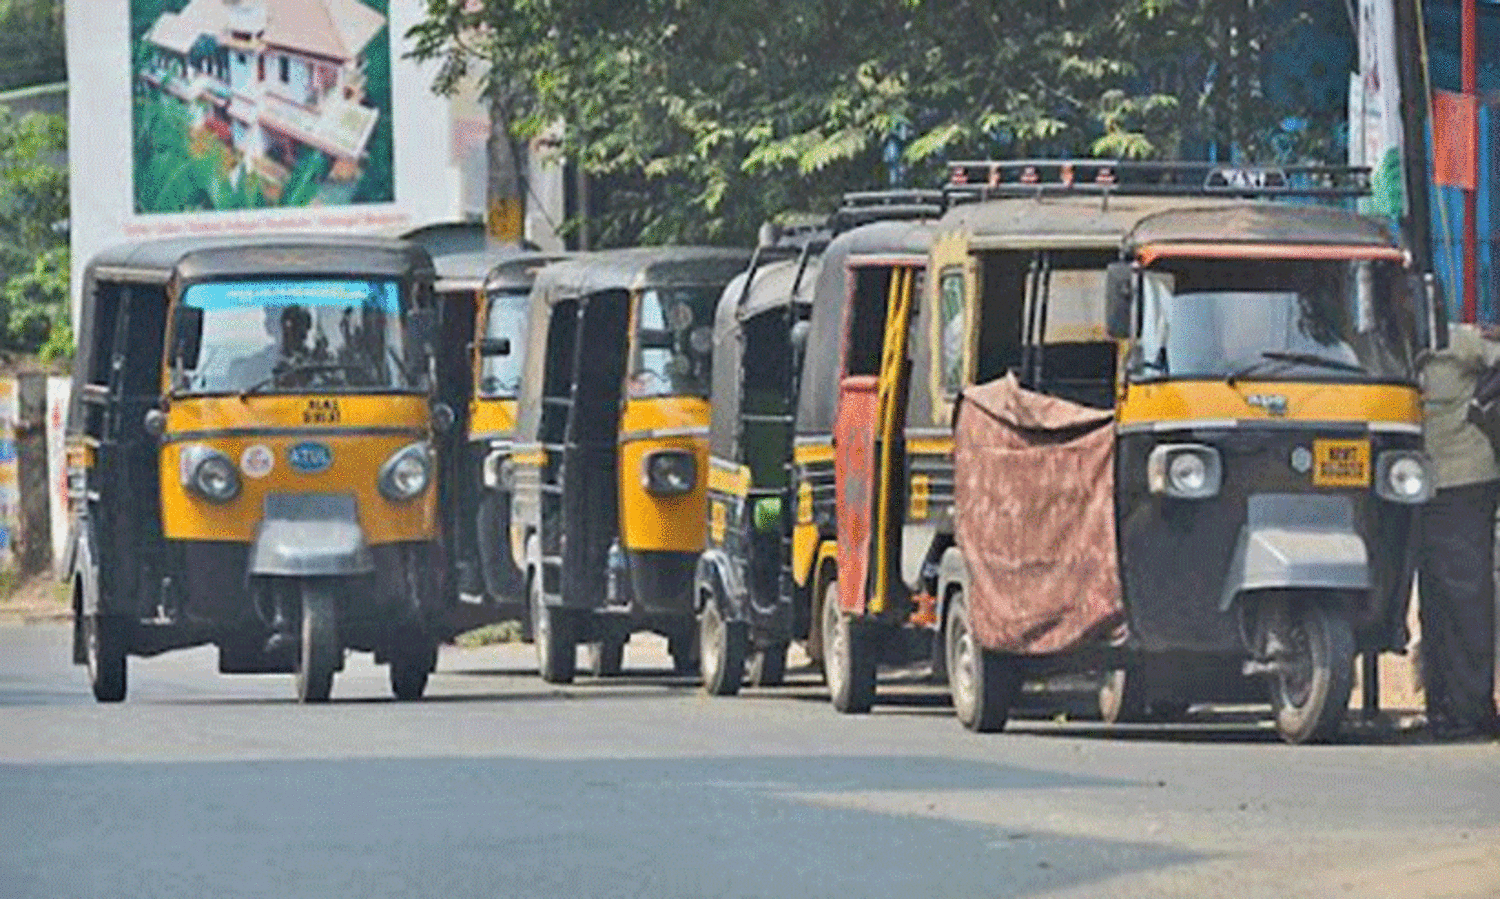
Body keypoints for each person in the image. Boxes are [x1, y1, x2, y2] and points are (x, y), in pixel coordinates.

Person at [1416, 320, 1500, 741]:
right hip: (1413, 484)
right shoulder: (1381, 343)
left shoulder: (1455, 340)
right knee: (1434, 600)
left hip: (1463, 481)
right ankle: (1443, 708)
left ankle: (1472, 709)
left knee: (1466, 600)